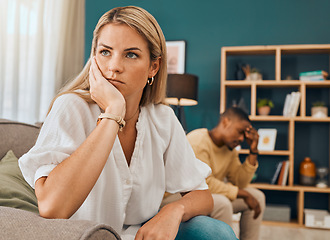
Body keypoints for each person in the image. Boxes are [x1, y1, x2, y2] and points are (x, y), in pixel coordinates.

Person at [18, 6, 237, 240]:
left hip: (138, 235)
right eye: (105, 52)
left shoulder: (162, 118)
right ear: (93, 58)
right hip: (82, 235)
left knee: (214, 232)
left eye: (130, 54)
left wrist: (174, 210)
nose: (114, 66)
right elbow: (53, 207)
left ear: (154, 66)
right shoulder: (71, 107)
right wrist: (112, 113)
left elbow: (203, 195)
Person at [187, 107, 265, 240]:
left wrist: (253, 151)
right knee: (222, 204)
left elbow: (240, 182)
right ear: (225, 122)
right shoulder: (198, 141)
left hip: (206, 194)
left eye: (244, 135)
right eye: (240, 131)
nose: (241, 138)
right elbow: (203, 182)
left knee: (256, 196)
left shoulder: (230, 150)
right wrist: (242, 193)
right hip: (182, 194)